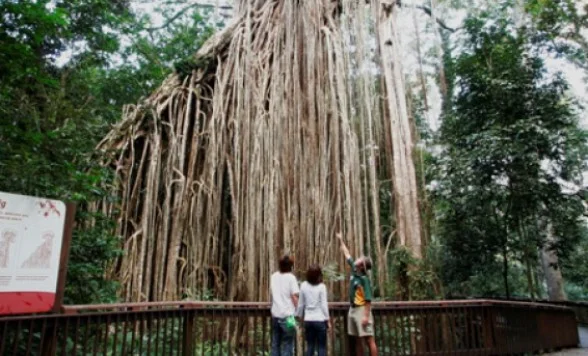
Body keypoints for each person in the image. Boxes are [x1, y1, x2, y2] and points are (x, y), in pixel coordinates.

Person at [337, 232, 378, 356]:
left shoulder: (364, 280)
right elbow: (347, 254)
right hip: (353, 309)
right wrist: (340, 240)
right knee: (357, 340)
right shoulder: (355, 270)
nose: (357, 258)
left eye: (359, 259)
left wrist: (366, 316)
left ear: (361, 265)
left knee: (369, 339)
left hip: (361, 310)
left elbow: (368, 299)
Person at [297, 264, 331, 356]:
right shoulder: (322, 287)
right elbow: (324, 305)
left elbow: (300, 304)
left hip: (308, 320)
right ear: (319, 274)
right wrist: (328, 320)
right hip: (320, 320)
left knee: (310, 346)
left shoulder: (303, 285)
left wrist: (300, 318)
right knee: (321, 347)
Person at [270, 255, 300, 356]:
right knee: (288, 344)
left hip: (275, 315)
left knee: (275, 344)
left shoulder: (273, 276)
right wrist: (300, 312)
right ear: (291, 266)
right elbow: (294, 297)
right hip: (289, 317)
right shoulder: (291, 278)